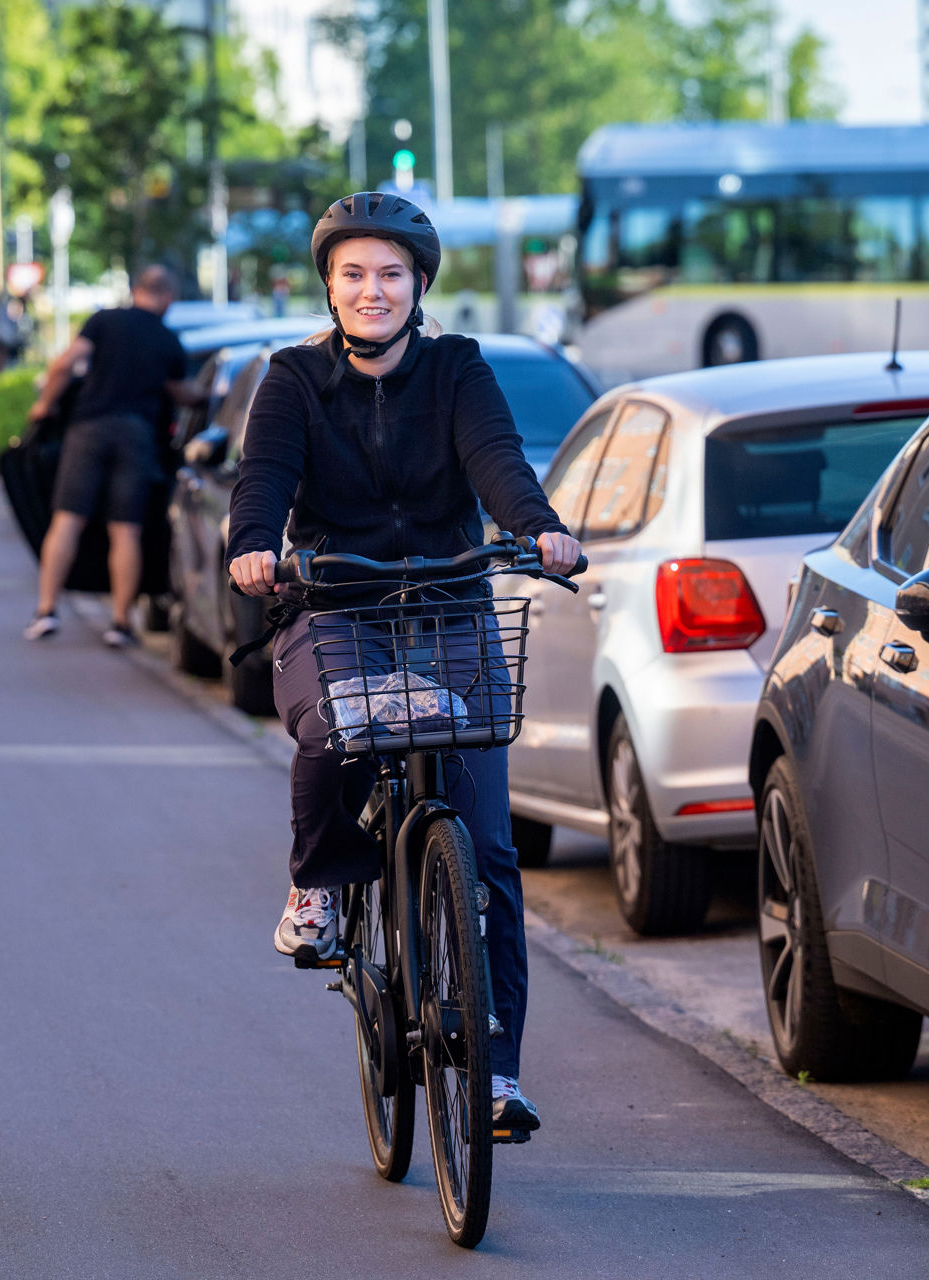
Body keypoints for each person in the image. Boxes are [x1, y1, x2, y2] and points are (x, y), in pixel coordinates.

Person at [223, 194, 583, 1138]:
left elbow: (496, 460)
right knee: (335, 732)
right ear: (330, 287)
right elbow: (261, 479)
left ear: (419, 284)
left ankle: (496, 1076)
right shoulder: (293, 379)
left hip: (450, 600)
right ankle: (319, 885)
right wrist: (255, 543)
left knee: (492, 853)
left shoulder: (459, 369)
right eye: (354, 274)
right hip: (336, 602)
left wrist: (537, 526)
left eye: (390, 273)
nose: (371, 290)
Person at [25, 263, 195, 646]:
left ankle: (46, 611)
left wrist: (45, 405)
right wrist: (205, 397)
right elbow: (180, 393)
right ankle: (120, 623)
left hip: (88, 429)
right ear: (168, 297)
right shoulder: (168, 338)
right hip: (137, 436)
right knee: (126, 529)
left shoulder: (103, 322)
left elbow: (64, 364)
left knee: (67, 520)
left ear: (136, 290)